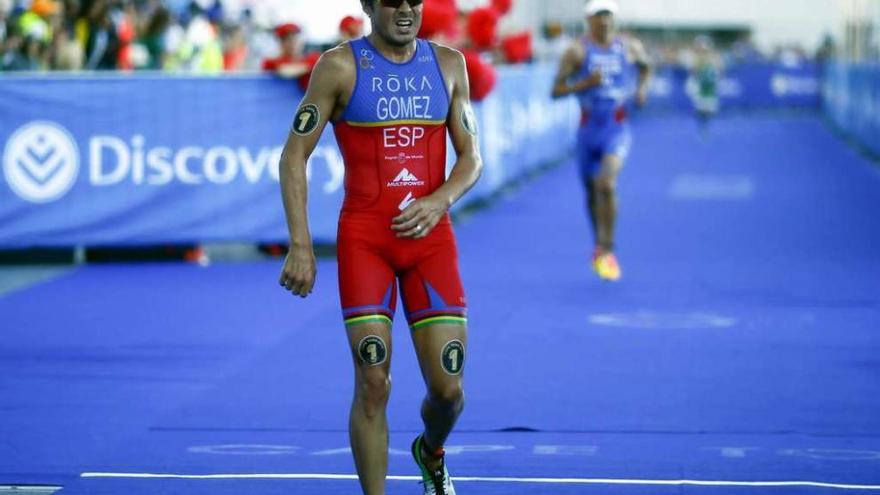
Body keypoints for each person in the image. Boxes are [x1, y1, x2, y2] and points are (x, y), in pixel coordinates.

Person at [277, 0, 482, 493]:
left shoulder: (449, 64)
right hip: (365, 241)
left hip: (431, 243)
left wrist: (439, 200)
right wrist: (301, 245)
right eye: (393, 1)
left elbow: (472, 157)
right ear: (369, 6)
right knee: (373, 381)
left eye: (415, 0)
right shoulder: (339, 66)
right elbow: (293, 157)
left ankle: (430, 452)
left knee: (448, 391)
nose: (406, 10)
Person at [551, 0, 651, 281]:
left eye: (608, 15)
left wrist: (642, 89)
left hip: (616, 127)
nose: (604, 21)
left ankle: (608, 247)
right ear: (589, 20)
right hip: (587, 128)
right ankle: (599, 242)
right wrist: (584, 84)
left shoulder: (628, 47)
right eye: (598, 16)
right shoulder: (577, 51)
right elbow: (555, 91)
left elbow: (646, 67)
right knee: (590, 192)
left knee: (606, 183)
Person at [688, 35, 721, 135]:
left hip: (710, 87)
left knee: (710, 110)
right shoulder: (697, 59)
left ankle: (706, 125)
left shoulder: (714, 57)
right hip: (701, 87)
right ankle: (702, 126)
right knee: (701, 108)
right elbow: (693, 72)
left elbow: (719, 70)